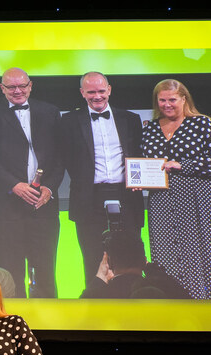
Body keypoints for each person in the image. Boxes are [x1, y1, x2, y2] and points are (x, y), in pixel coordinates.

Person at [139, 78, 211, 299]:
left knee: (210, 252)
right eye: (162, 100)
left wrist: (183, 165)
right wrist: (139, 180)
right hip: (163, 202)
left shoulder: (201, 123)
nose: (167, 105)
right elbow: (147, 163)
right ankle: (177, 302)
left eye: (172, 100)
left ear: (184, 99)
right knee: (168, 253)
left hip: (202, 199)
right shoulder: (150, 129)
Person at [0, 67, 64, 298]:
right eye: (11, 87)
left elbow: (61, 156)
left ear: (30, 86)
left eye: (22, 86)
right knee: (8, 275)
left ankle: (49, 318)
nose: (17, 91)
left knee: (45, 272)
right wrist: (14, 185)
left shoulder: (50, 112)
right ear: (2, 88)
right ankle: (10, 318)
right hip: (4, 208)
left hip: (43, 207)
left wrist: (50, 187)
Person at [62, 71, 146, 290]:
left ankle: (132, 302)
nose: (97, 96)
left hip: (127, 196)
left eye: (101, 91)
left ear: (109, 90)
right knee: (92, 258)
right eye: (91, 92)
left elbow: (139, 155)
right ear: (82, 93)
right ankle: (95, 305)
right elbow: (64, 157)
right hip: (88, 198)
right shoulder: (69, 121)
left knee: (131, 259)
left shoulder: (131, 119)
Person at [79, 231, 190, 299]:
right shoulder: (164, 293)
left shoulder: (98, 296)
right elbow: (187, 301)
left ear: (109, 263)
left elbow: (80, 313)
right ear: (144, 261)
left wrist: (99, 279)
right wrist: (154, 271)